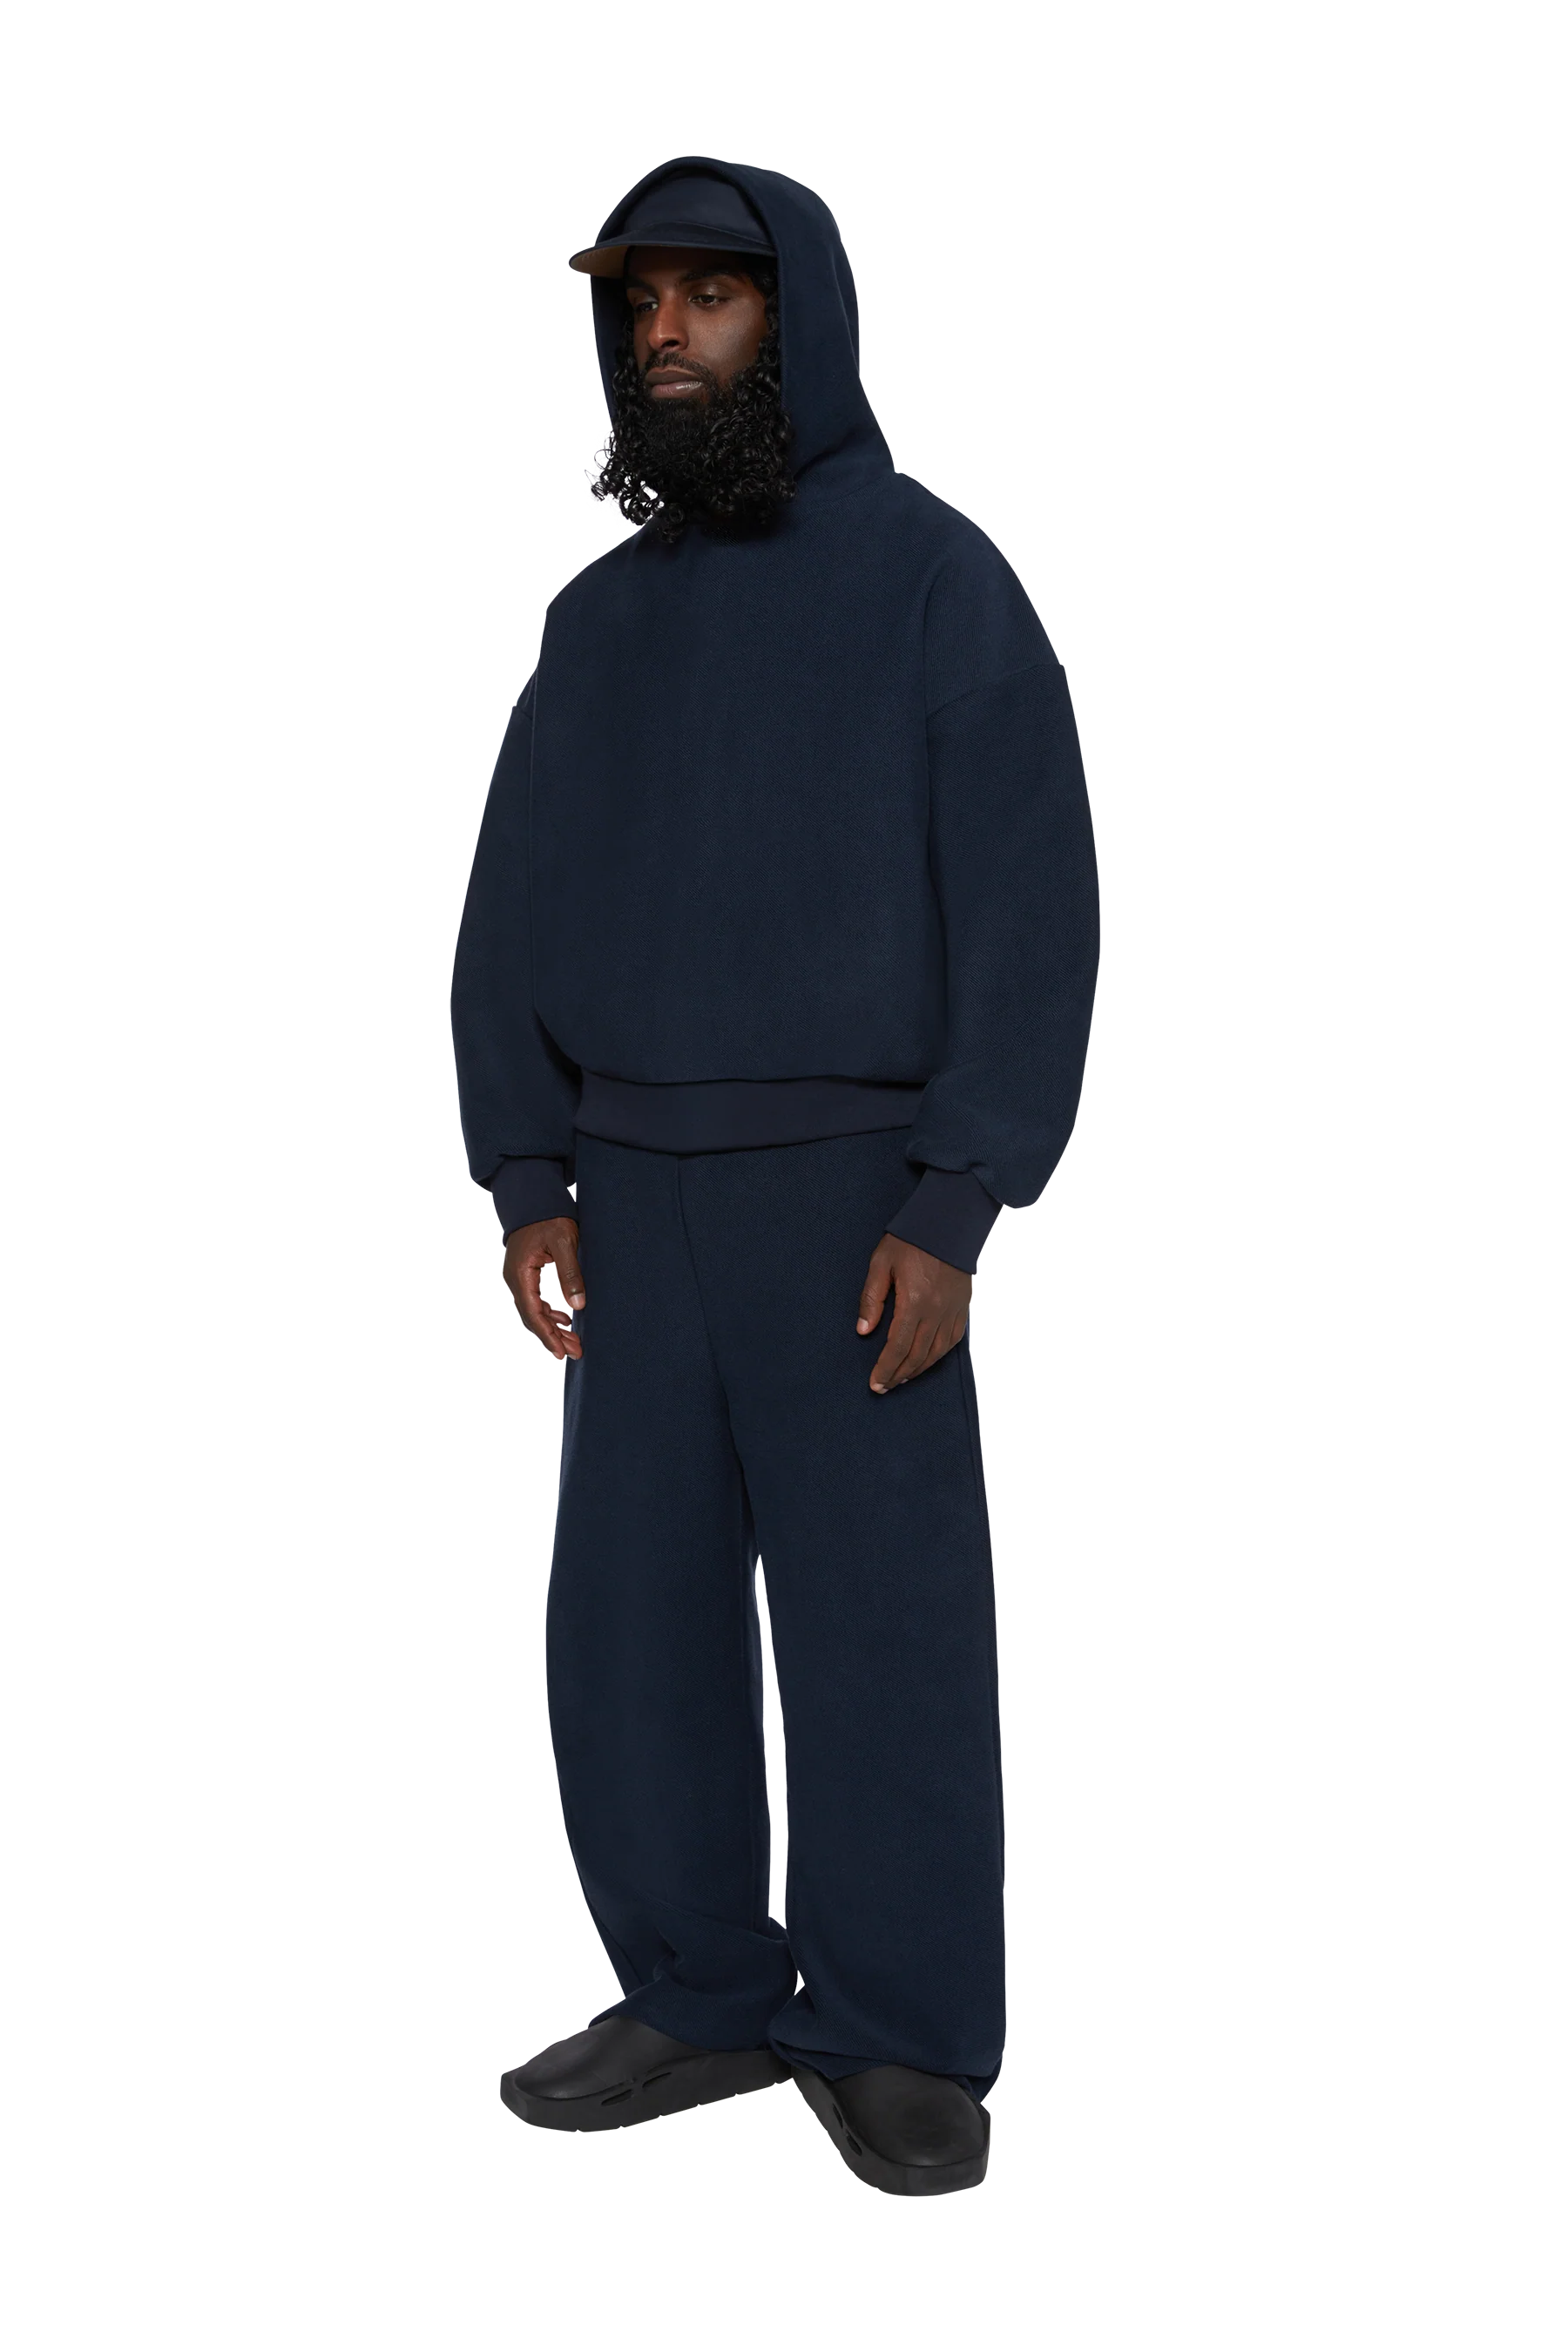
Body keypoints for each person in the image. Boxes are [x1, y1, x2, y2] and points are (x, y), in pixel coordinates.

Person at [450, 156, 1098, 2200]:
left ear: (795, 320)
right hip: (626, 1197)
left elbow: (1028, 917)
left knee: (880, 1626)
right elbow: (506, 916)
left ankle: (900, 2028)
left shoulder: (937, 586)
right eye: (636, 305)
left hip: (851, 1195)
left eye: (707, 301)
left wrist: (958, 1194)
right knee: (629, 1623)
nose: (663, 338)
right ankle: (698, 1988)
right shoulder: (598, 625)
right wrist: (527, 1172)